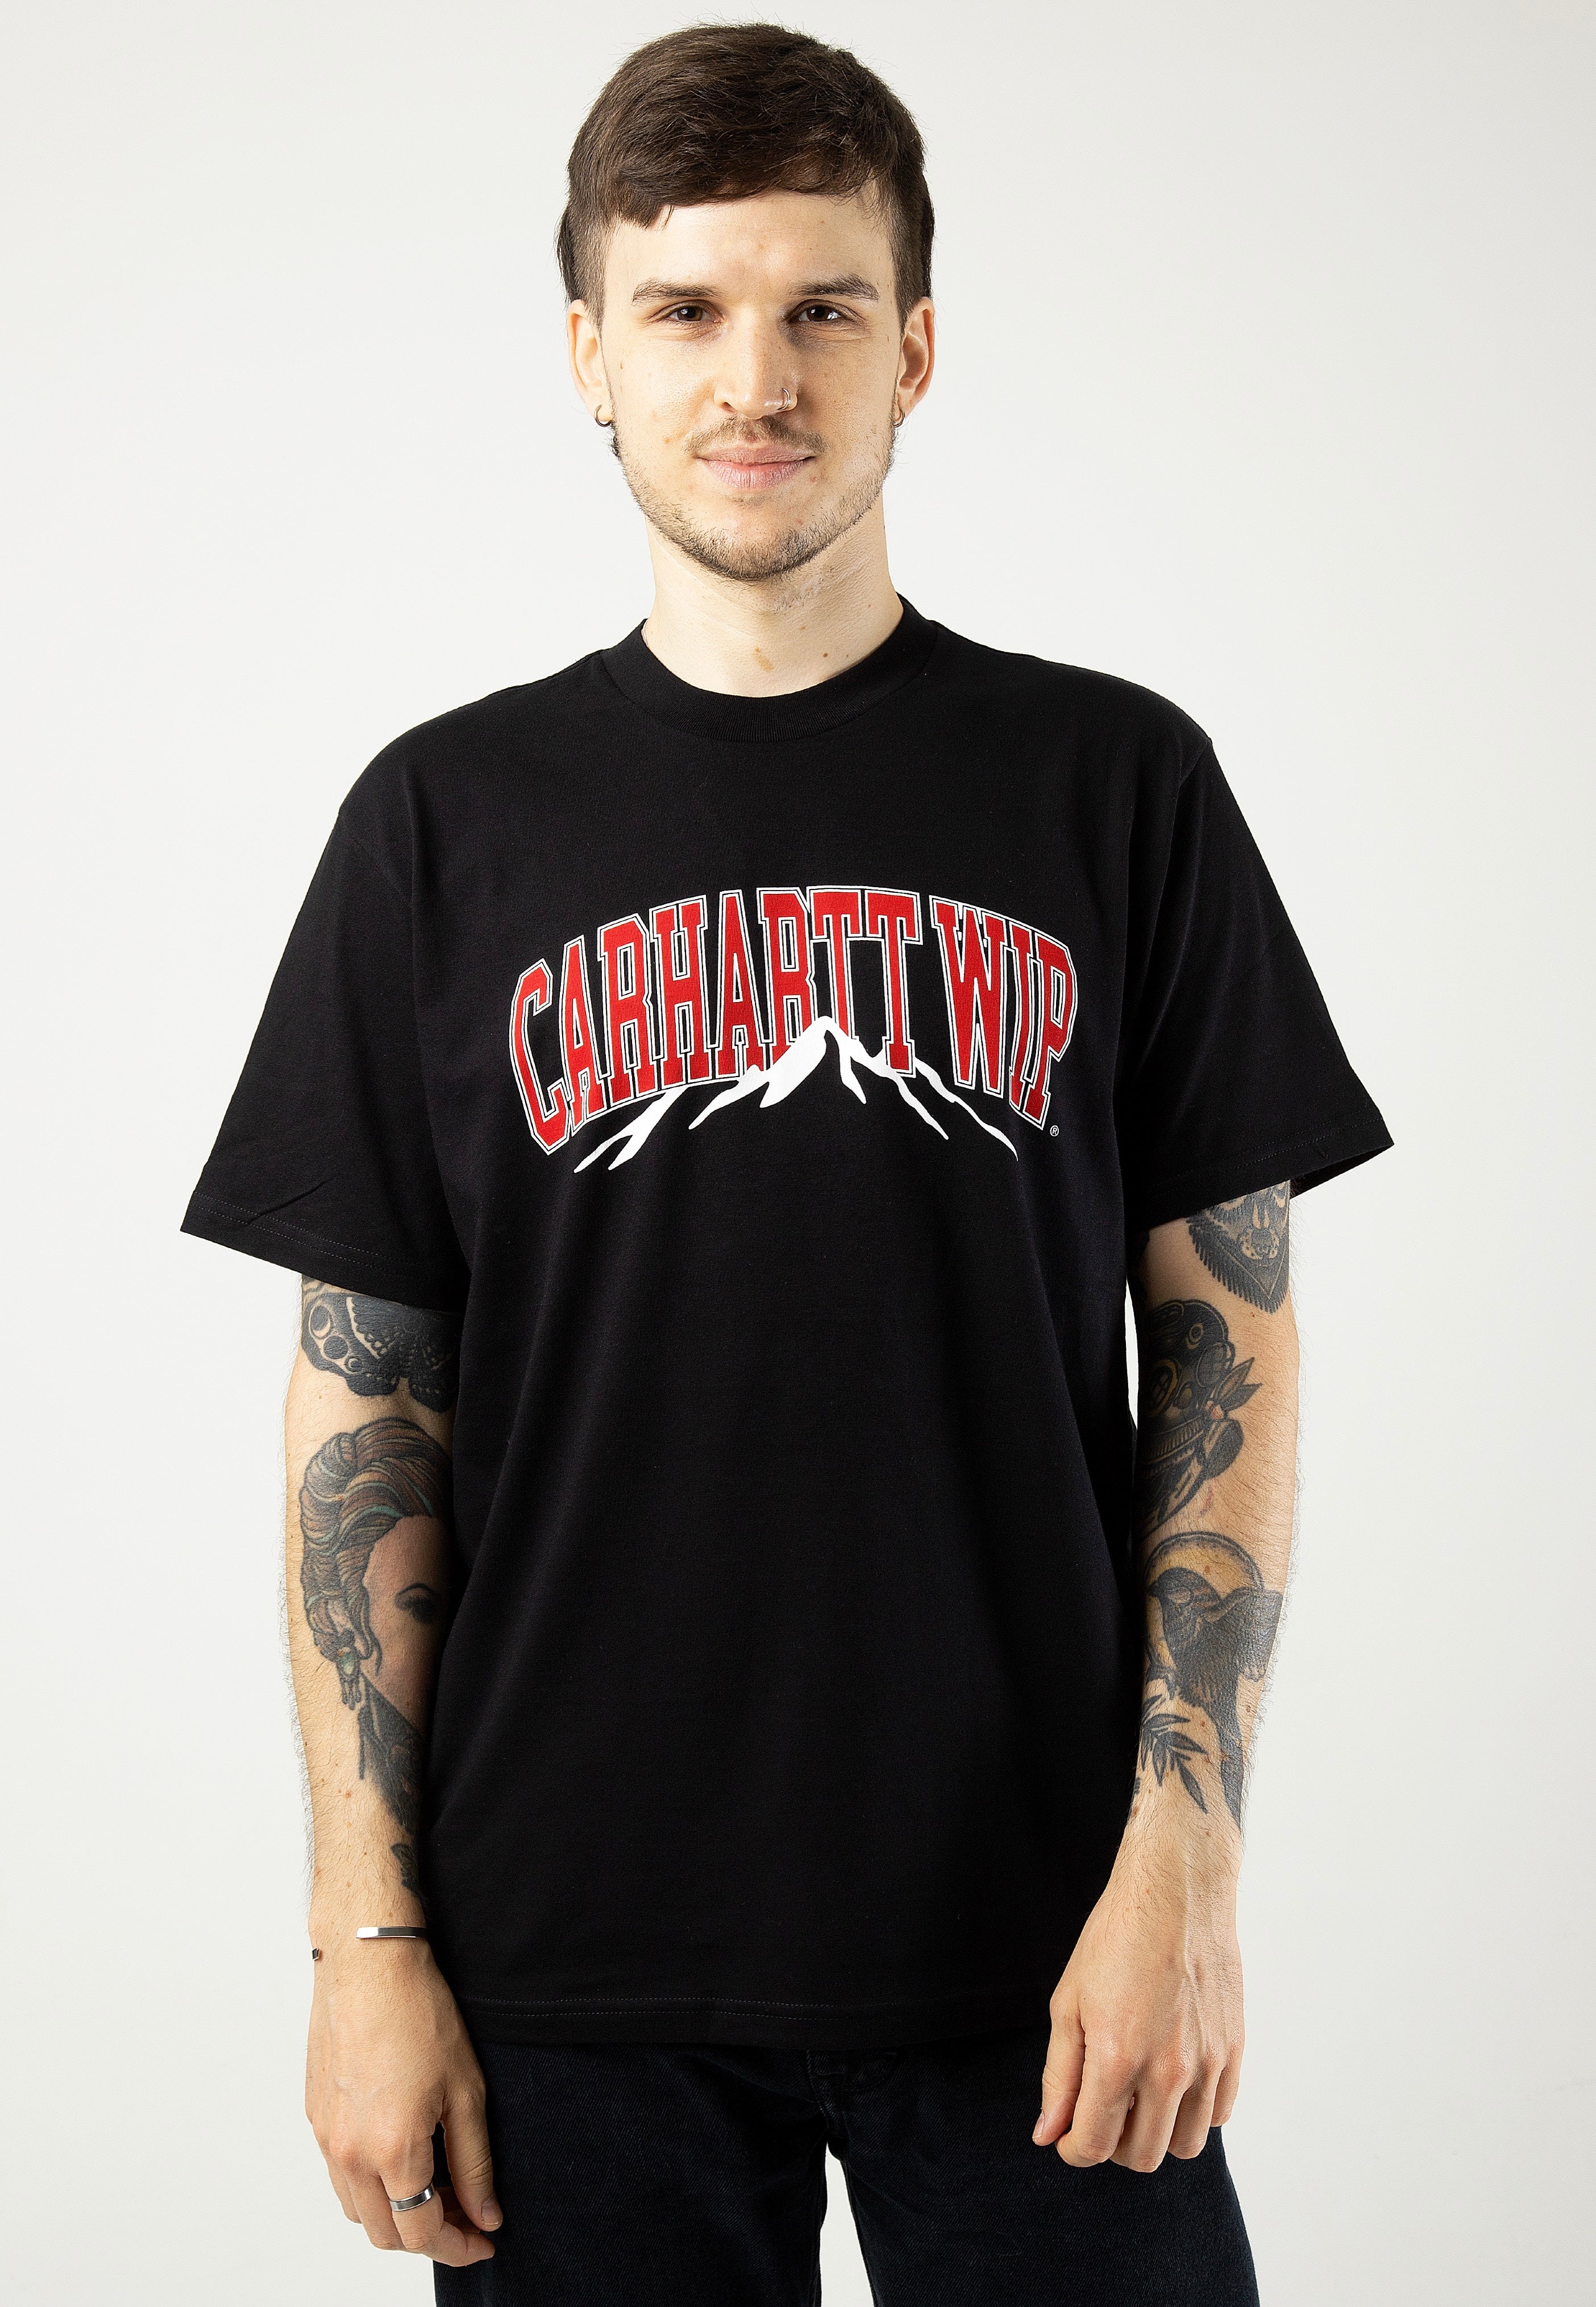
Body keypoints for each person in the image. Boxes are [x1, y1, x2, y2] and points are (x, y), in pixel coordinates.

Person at [182, 24, 1391, 2303]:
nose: (757, 378)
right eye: (687, 308)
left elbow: (1230, 1353)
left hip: (1048, 1940)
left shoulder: (1117, 788)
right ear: (589, 354)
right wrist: (364, 1938)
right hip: (561, 1967)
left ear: (915, 347)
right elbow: (366, 1415)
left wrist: (1189, 1863)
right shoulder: (441, 825)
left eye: (823, 306)